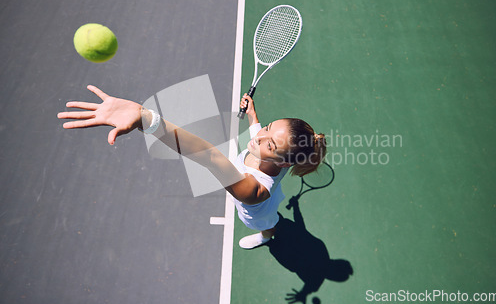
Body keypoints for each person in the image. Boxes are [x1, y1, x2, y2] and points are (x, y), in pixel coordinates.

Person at [57, 85, 326, 249]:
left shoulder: (252, 191)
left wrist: (146, 119)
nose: (259, 138)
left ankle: (267, 235)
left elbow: (207, 155)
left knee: (267, 222)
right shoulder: (277, 157)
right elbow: (259, 131)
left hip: (256, 213)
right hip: (274, 184)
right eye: (268, 128)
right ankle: (271, 229)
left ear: (284, 162)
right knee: (273, 206)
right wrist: (254, 115)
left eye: (270, 144)